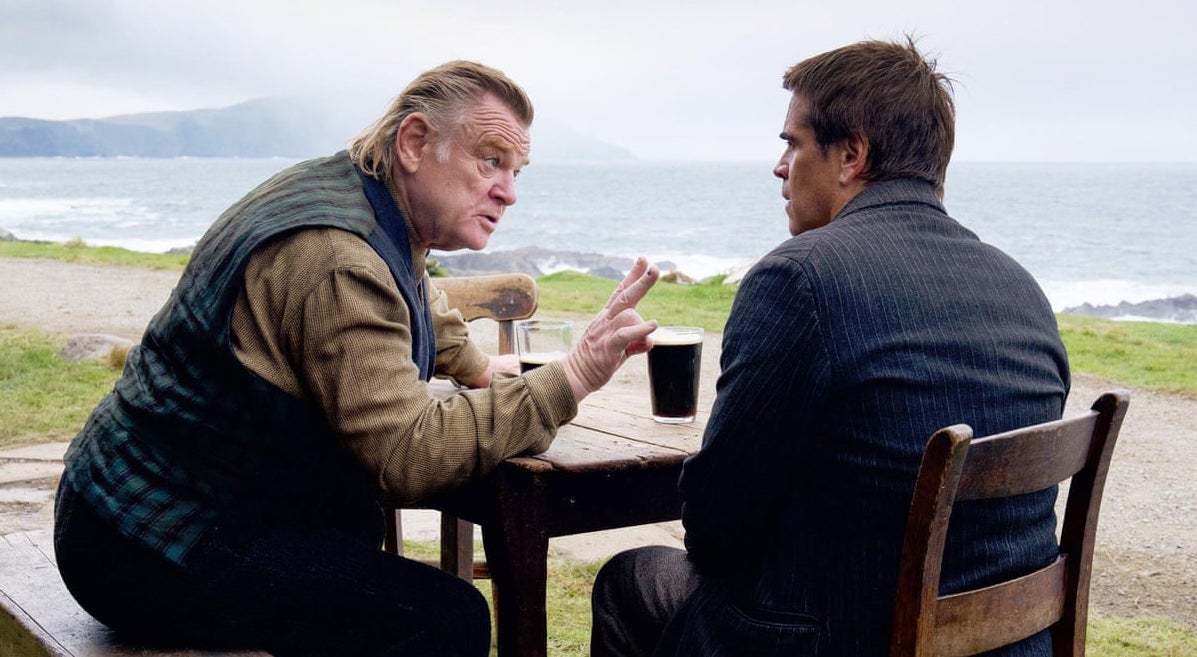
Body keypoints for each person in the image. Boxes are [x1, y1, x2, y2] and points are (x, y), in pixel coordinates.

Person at [53, 60, 659, 657]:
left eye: (515, 171)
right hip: (145, 534)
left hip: (140, 502)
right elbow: (407, 454)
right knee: (444, 619)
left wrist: (473, 366)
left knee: (363, 550)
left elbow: (412, 285)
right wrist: (574, 375)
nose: (509, 192)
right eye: (489, 160)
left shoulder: (361, 197)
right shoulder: (337, 256)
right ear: (415, 143)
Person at [590, 38, 1069, 657]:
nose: (780, 166)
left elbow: (715, 525)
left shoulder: (800, 278)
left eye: (792, 143)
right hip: (1014, 642)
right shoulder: (1022, 287)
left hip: (845, 638)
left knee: (630, 580)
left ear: (851, 155)